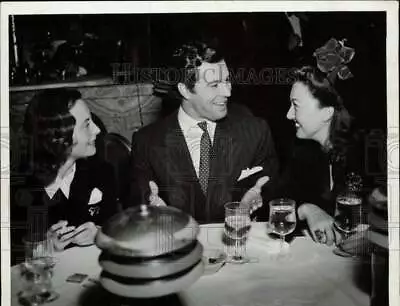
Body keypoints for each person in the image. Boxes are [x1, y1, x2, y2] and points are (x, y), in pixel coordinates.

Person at [127, 39, 279, 223]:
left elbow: (273, 193)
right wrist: (151, 210)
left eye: (227, 80)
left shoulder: (255, 131)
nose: (228, 92)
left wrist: (257, 202)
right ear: (185, 90)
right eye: (215, 85)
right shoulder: (146, 141)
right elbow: (137, 202)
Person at [10, 88, 117, 264]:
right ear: (58, 137)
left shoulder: (102, 171)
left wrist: (100, 232)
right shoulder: (17, 188)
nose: (97, 130)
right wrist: (44, 247)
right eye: (87, 124)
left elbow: (119, 228)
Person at [275, 63, 366, 246]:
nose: (288, 115)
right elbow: (278, 207)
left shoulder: (367, 154)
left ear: (327, 113)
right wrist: (307, 209)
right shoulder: (301, 152)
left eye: (295, 105)